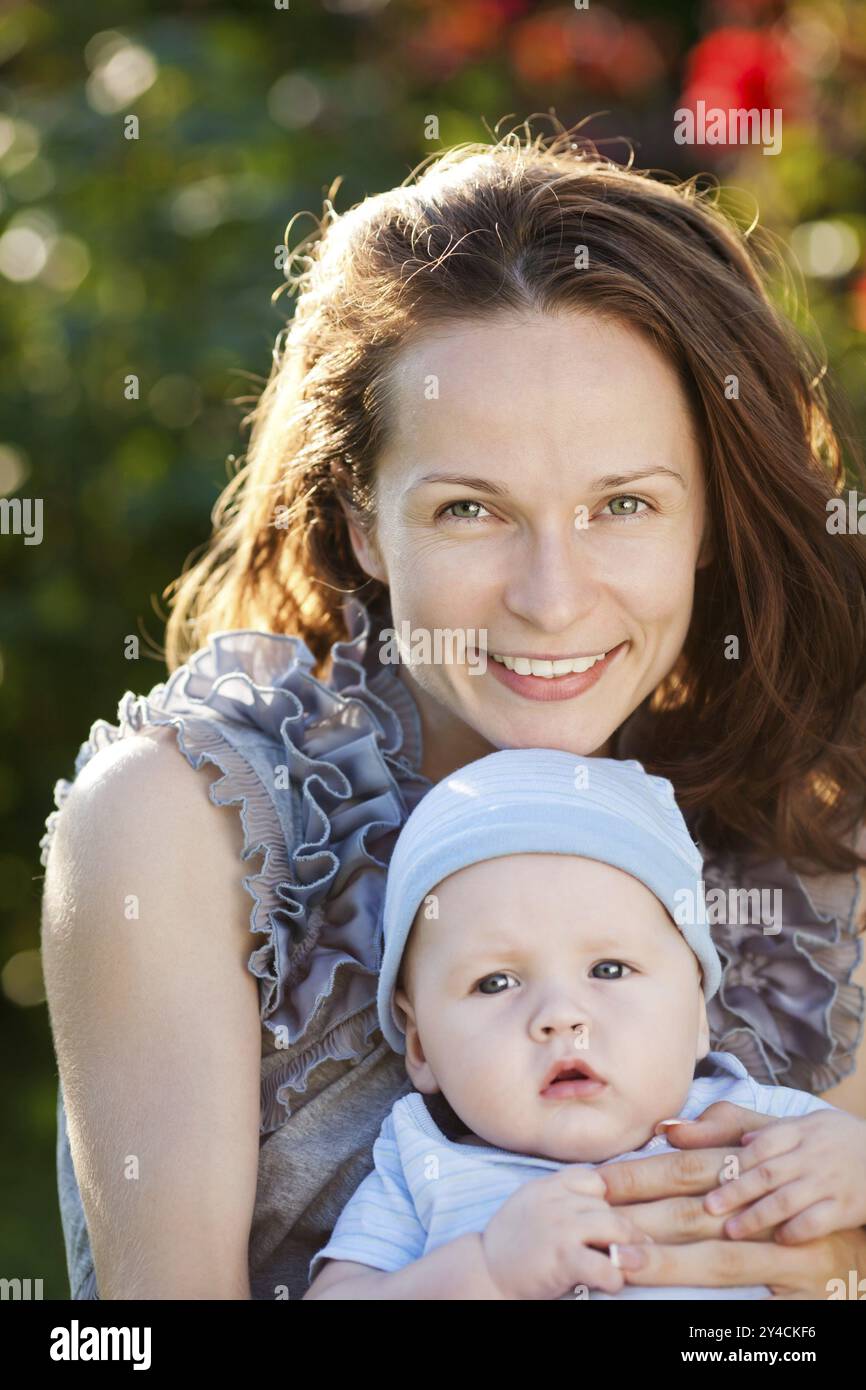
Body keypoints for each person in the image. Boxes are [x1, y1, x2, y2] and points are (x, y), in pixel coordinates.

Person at [39, 127, 866, 1301]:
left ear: (708, 518)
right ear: (365, 521)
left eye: (621, 503)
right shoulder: (184, 826)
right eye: (471, 510)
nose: (551, 597)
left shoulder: (813, 830)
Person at [304, 749, 866, 1300]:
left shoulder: (766, 1126)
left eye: (609, 969)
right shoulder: (424, 1165)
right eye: (495, 982)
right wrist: (488, 1273)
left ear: (698, 1013)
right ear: (421, 1045)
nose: (561, 1016)